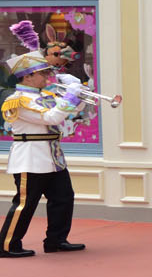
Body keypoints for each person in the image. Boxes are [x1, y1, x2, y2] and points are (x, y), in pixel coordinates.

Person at [2, 21, 89, 257]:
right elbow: (52, 117)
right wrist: (69, 98)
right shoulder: (18, 100)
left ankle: (56, 241)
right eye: (43, 73)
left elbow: (68, 110)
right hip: (30, 157)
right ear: (28, 77)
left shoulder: (42, 95)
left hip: (52, 157)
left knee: (63, 198)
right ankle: (7, 244)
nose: (47, 77)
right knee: (25, 204)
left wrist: (78, 93)